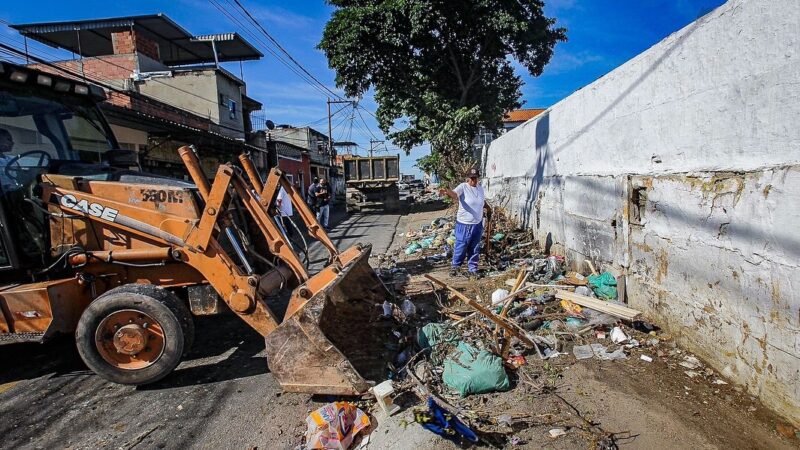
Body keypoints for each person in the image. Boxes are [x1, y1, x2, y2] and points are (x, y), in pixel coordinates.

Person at [439, 168, 491, 278]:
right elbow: (454, 195)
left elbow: (482, 202)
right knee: (461, 245)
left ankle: (473, 268)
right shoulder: (463, 187)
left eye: (475, 178)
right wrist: (447, 191)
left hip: (477, 223)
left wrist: (488, 208)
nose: (474, 180)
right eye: (472, 178)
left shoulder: (480, 189)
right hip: (464, 223)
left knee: (475, 246)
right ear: (468, 178)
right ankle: (455, 266)